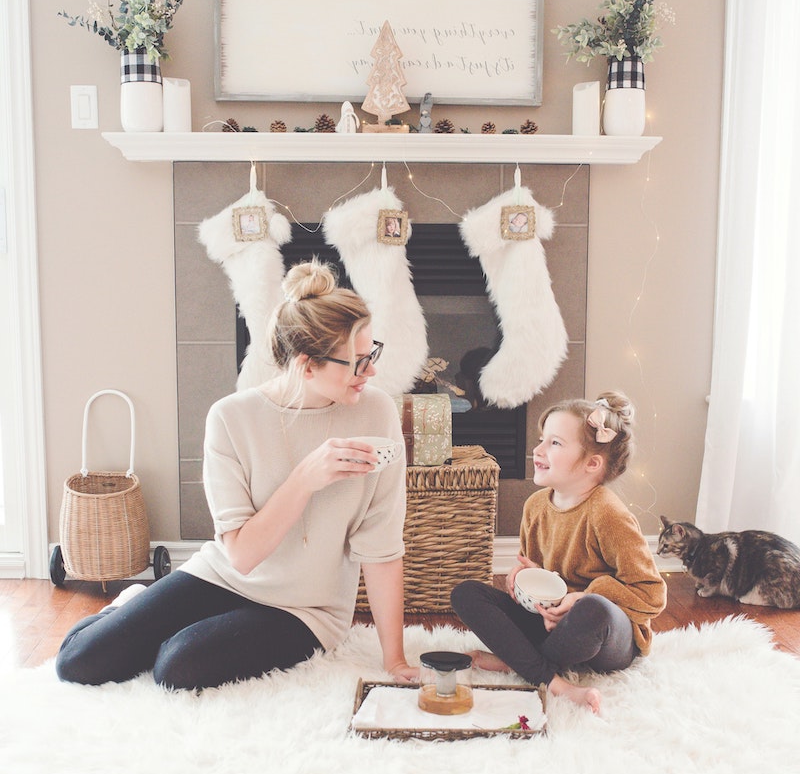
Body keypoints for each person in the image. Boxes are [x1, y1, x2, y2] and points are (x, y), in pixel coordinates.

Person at [56, 260, 419, 690]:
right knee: (78, 662)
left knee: (176, 666)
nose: (371, 372)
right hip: (225, 576)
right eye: (358, 362)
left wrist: (394, 660)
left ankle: (169, 630)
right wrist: (305, 478)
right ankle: (130, 608)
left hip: (306, 611)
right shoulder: (231, 419)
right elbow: (243, 556)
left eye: (371, 353)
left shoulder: (376, 414)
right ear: (307, 365)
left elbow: (381, 548)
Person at [450, 391, 666, 713]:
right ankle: (548, 675)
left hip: (602, 637)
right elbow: (536, 567)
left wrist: (582, 597)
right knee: (465, 594)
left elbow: (652, 595)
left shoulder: (609, 515)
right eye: (541, 439)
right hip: (550, 623)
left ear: (592, 464)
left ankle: (520, 660)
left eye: (555, 443)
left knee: (592, 609)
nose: (537, 451)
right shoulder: (536, 506)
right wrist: (523, 574)